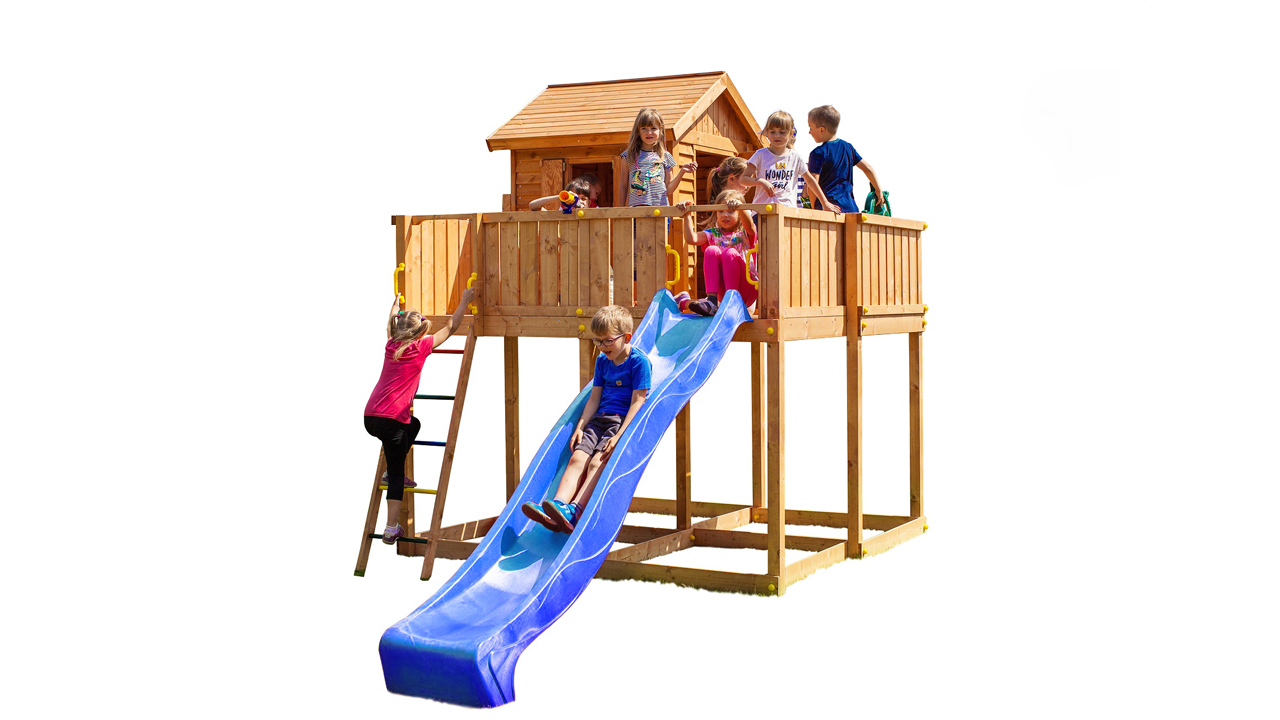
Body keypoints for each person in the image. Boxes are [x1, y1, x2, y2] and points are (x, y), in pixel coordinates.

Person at [523, 305, 651, 533]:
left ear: (626, 337)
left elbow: (638, 401)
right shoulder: (602, 361)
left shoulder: (639, 362)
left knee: (596, 463)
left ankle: (575, 511)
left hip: (619, 422)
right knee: (577, 458)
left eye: (608, 341)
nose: (602, 347)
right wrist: (581, 426)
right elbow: (594, 397)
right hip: (599, 419)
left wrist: (619, 436)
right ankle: (558, 507)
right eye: (598, 341)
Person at [364, 286, 476, 544]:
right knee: (396, 476)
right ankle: (391, 528)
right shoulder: (421, 346)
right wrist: (464, 300)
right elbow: (451, 326)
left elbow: (390, 323)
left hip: (371, 416)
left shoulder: (391, 344)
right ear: (419, 333)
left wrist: (395, 305)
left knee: (413, 424)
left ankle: (392, 469)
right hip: (392, 419)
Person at [673, 189, 758, 316]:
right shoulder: (714, 234)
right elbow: (692, 239)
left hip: (747, 287)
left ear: (740, 214)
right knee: (711, 250)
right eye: (721, 211)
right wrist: (687, 215)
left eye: (730, 211)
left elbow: (750, 227)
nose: (724, 215)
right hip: (723, 290)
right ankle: (711, 301)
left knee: (729, 252)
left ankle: (732, 301)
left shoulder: (744, 233)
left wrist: (741, 208)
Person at [806, 104, 885, 214]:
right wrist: (878, 189)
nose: (809, 132)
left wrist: (814, 208)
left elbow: (812, 183)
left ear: (822, 130)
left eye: (811, 128)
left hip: (829, 209)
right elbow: (867, 168)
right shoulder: (848, 148)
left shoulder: (818, 153)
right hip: (850, 208)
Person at [620, 108, 696, 206]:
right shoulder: (628, 156)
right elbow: (623, 185)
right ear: (638, 131)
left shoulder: (665, 156)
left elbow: (669, 190)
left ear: (660, 131)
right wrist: (620, 211)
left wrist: (682, 172)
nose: (649, 132)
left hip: (660, 210)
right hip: (637, 211)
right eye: (644, 128)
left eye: (653, 128)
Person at [747, 110, 819, 209]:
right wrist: (761, 181)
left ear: (791, 133)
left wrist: (825, 203)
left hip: (787, 210)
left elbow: (810, 181)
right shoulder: (760, 155)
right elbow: (743, 179)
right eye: (772, 132)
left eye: (782, 132)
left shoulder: (796, 157)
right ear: (767, 133)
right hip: (762, 210)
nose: (777, 135)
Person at [529, 173, 602, 212]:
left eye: (583, 199)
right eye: (574, 198)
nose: (579, 201)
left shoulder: (595, 212)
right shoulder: (563, 212)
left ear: (589, 202)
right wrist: (561, 197)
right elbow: (533, 206)